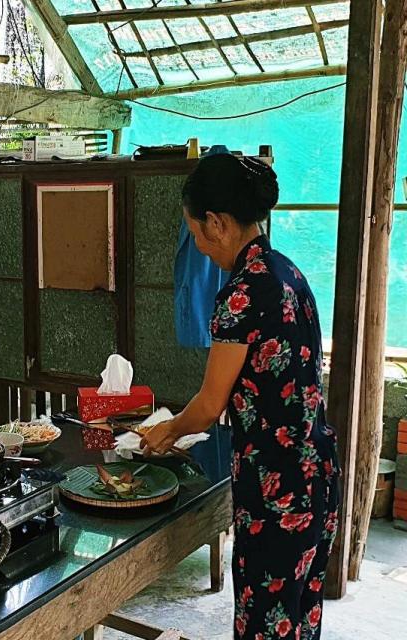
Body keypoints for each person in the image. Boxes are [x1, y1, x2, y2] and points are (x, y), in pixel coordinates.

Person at [140, 154, 339, 640]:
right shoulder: (289, 272)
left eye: (196, 233)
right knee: (299, 619)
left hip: (276, 491)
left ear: (218, 223)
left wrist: (166, 432)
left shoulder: (241, 296)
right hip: (317, 475)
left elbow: (210, 405)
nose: (199, 247)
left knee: (264, 626)